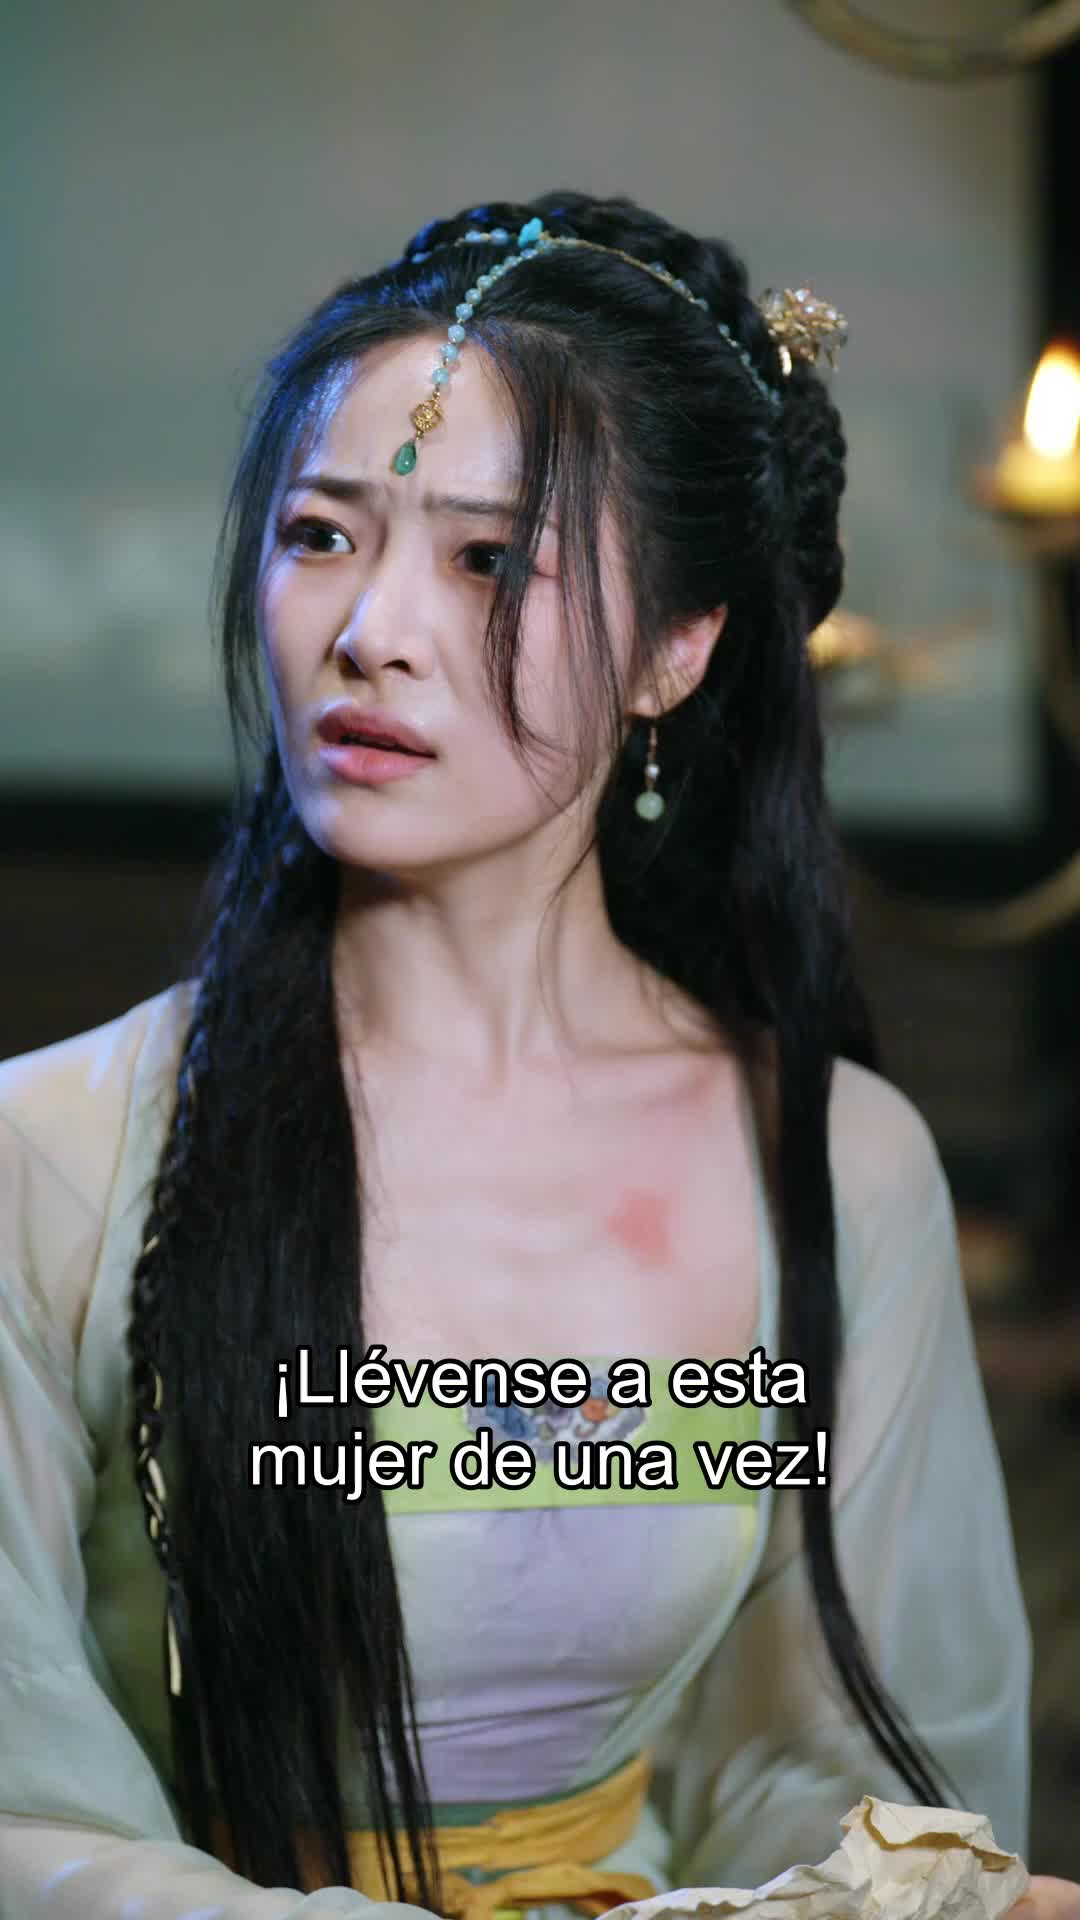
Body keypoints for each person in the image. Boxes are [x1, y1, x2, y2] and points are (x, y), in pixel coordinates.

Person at [0, 189, 1065, 1920]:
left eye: (489, 561)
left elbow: (847, 1755)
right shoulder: (50, 1153)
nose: (371, 630)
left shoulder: (826, 1160)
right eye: (322, 533)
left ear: (676, 650)